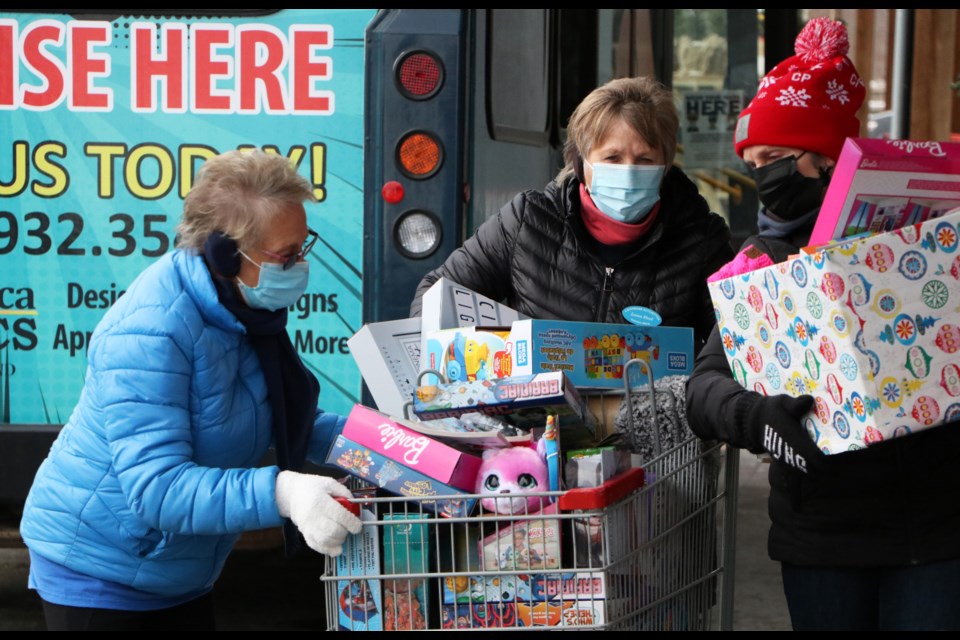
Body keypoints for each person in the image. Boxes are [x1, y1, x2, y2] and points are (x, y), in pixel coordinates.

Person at [685, 17, 960, 631]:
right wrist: (758, 418)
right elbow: (702, 389)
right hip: (822, 540)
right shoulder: (759, 263)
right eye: (753, 162)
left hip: (934, 532)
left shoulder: (923, 238)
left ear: (829, 156)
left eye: (777, 158)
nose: (762, 176)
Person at [19, 150, 363, 630]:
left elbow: (282, 417)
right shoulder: (150, 331)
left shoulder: (243, 313)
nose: (300, 265)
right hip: (103, 572)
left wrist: (389, 445)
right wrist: (285, 492)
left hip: (176, 571)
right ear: (225, 253)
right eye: (287, 255)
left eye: (304, 248)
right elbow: (157, 489)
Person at [410, 76, 734, 353]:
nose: (630, 171)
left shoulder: (702, 240)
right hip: (536, 418)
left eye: (645, 159)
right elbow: (435, 295)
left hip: (644, 421)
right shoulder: (528, 220)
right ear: (582, 164)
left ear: (665, 167)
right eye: (612, 157)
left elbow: (735, 344)